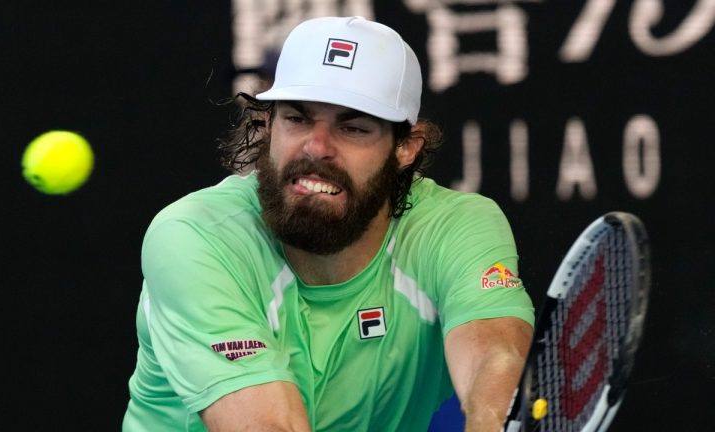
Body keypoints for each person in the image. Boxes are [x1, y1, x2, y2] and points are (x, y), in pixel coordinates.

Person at [123, 16, 534, 432]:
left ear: (406, 148)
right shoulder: (194, 237)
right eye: (297, 119)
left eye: (352, 128)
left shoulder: (456, 227)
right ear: (267, 125)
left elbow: (495, 360)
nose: (317, 148)